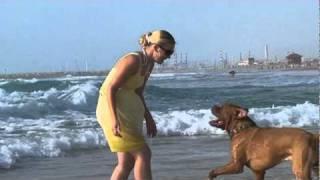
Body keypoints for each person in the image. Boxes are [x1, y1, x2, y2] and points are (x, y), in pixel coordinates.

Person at [96, 30, 175, 180]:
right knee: (143, 154)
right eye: (168, 52)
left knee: (126, 163)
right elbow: (110, 89)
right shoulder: (133, 60)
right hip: (113, 111)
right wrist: (114, 120)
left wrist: (149, 118)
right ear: (156, 47)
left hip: (128, 113)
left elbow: (138, 92)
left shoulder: (149, 65)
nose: (169, 56)